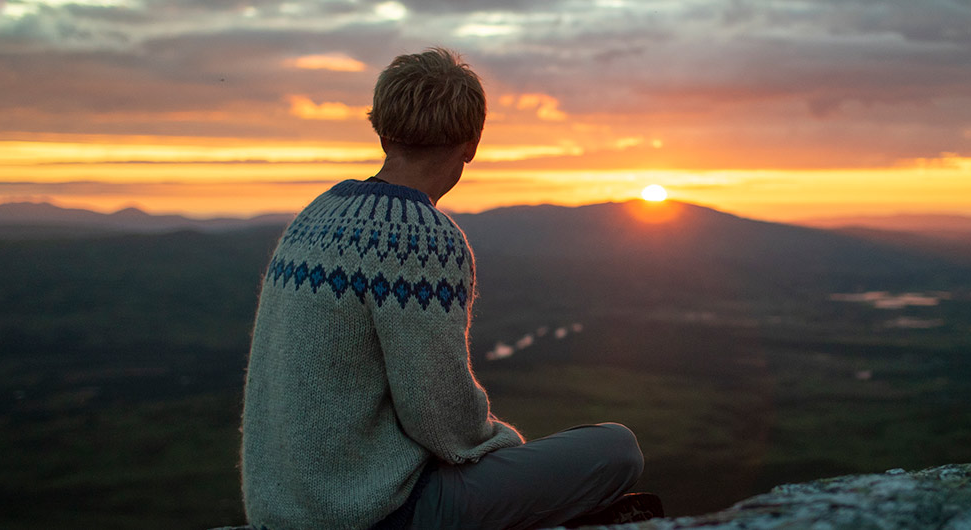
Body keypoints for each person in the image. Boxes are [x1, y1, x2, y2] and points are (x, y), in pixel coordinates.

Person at [240, 47, 660, 530]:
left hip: (284, 509)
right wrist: (507, 453)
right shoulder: (422, 238)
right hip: (377, 513)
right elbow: (441, 418)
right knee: (615, 450)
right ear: (471, 143)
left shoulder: (316, 214)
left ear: (380, 130)